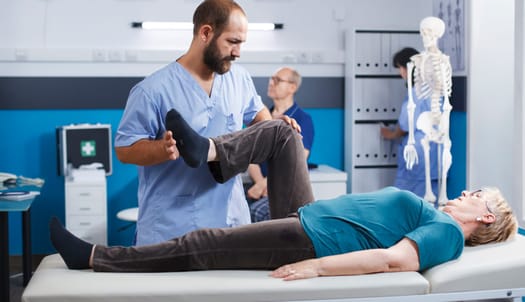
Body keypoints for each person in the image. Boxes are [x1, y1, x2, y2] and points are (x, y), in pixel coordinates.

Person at [50, 108, 518, 281]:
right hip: (312, 217)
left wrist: (315, 266)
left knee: (203, 245)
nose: (465, 192)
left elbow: (395, 261)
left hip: (312, 241)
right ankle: (209, 150)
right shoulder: (437, 219)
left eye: (477, 195)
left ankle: (94, 258)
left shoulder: (446, 234)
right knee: (281, 133)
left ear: (485, 219)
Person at [114, 0, 276, 245]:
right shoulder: (152, 90)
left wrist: (277, 126)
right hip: (173, 226)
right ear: (206, 33)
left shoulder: (239, 79)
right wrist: (161, 148)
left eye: (241, 43)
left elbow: (259, 116)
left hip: (231, 221)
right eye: (232, 42)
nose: (238, 52)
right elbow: (125, 149)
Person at [246, 67, 314, 222]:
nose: (271, 83)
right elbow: (250, 155)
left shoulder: (302, 119)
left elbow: (297, 160)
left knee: (256, 213)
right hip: (260, 187)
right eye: (271, 78)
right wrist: (259, 184)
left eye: (278, 80)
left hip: (284, 189)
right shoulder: (261, 116)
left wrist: (264, 184)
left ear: (292, 87)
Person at [380, 47, 439, 198]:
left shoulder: (415, 93)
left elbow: (405, 125)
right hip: (433, 154)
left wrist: (391, 134)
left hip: (417, 152)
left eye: (400, 67)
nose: (400, 73)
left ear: (409, 67)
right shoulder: (433, 89)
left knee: (404, 201)